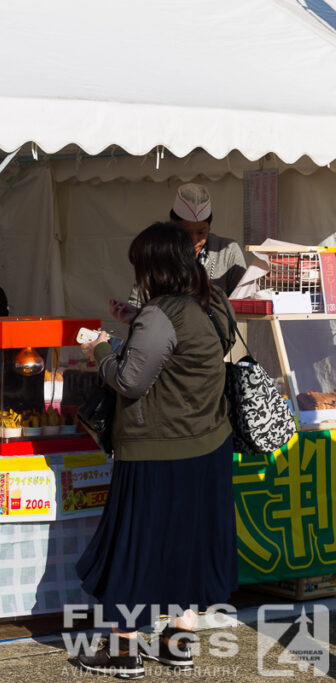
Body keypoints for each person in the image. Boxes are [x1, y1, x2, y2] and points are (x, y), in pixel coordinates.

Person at [75, 222, 238, 678]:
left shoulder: (160, 314)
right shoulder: (214, 303)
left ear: (156, 267)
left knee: (136, 547)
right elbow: (187, 353)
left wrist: (103, 348)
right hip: (209, 444)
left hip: (157, 451)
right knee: (186, 547)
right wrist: (135, 322)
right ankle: (177, 643)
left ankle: (123, 650)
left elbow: (130, 379)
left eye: (141, 265)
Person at [110, 183, 246, 323]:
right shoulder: (159, 254)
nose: (193, 240)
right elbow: (138, 301)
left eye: (201, 232)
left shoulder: (227, 250)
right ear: (172, 227)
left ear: (209, 228)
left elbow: (244, 301)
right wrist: (133, 314)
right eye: (185, 232)